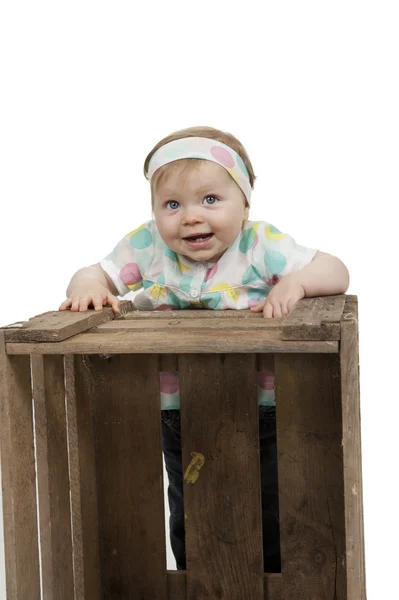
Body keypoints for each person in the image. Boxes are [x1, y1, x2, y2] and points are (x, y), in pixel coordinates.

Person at [59, 125, 350, 573]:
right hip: (178, 411)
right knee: (192, 505)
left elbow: (336, 271)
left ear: (245, 203)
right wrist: (88, 289)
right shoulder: (151, 247)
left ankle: (268, 580)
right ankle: (197, 579)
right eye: (172, 205)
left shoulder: (259, 245)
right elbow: (94, 272)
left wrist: (297, 281)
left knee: (268, 503)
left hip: (263, 408)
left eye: (210, 200)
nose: (191, 217)